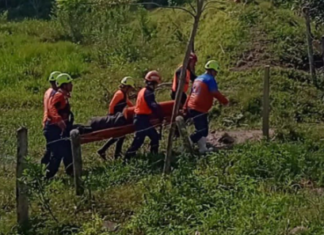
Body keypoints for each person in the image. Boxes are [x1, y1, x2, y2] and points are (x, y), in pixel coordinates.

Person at [186, 60, 229, 154]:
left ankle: (202, 148)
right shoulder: (210, 79)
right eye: (216, 72)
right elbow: (214, 92)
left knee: (204, 129)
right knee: (201, 130)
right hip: (198, 108)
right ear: (212, 71)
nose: (216, 74)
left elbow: (191, 93)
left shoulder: (198, 78)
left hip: (193, 107)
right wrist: (224, 101)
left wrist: (186, 106)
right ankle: (185, 144)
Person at [124, 71, 164, 161]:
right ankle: (127, 158)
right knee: (138, 141)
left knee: (154, 137)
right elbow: (153, 106)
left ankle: (154, 155)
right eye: (156, 84)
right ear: (153, 83)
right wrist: (161, 115)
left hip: (141, 119)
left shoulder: (143, 90)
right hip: (141, 120)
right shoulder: (148, 93)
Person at [44, 73, 74, 179]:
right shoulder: (59, 96)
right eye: (70, 83)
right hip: (53, 129)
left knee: (68, 149)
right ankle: (47, 176)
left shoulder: (64, 96)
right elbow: (51, 108)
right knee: (57, 153)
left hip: (59, 128)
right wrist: (59, 120)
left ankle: (71, 171)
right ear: (64, 85)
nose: (72, 85)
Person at [97, 77, 135, 160]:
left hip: (118, 117)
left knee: (120, 135)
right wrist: (111, 116)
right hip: (114, 118)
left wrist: (135, 109)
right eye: (130, 88)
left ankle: (110, 152)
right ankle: (114, 153)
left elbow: (129, 103)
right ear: (127, 87)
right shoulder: (119, 94)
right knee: (119, 135)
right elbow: (111, 105)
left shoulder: (124, 94)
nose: (130, 90)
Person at [41, 71, 61, 166]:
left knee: (50, 149)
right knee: (55, 151)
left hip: (46, 122)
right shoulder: (55, 94)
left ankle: (41, 167)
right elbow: (51, 109)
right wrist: (59, 120)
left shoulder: (48, 92)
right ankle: (47, 172)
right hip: (52, 123)